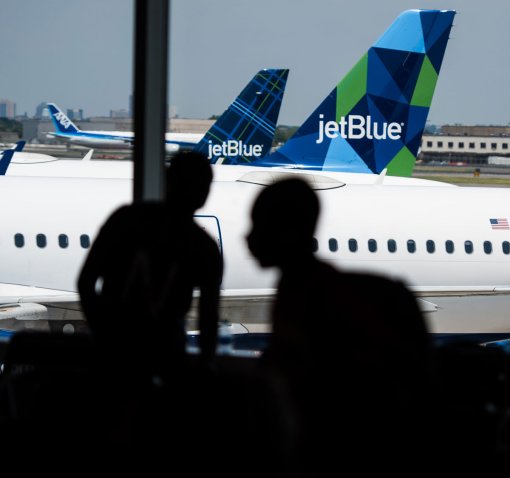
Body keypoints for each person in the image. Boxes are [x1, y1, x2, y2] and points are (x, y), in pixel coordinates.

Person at [247, 178, 436, 478]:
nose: (249, 237)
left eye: (259, 225)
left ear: (289, 232)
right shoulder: (298, 288)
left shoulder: (318, 296)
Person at [77, 151, 221, 380]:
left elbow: (86, 282)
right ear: (204, 194)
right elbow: (208, 318)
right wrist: (205, 366)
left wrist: (103, 332)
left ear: (167, 181)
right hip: (166, 356)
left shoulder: (124, 219)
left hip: (113, 352)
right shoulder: (203, 247)